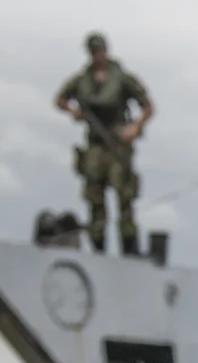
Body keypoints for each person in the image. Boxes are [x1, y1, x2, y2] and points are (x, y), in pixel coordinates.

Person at [52, 32, 152, 255]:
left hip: (117, 143)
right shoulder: (82, 79)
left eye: (100, 50)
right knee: (94, 197)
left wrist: (134, 127)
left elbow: (148, 106)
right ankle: (98, 248)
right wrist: (73, 112)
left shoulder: (122, 77)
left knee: (124, 197)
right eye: (93, 51)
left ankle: (129, 250)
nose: (97, 55)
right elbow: (59, 99)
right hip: (95, 144)